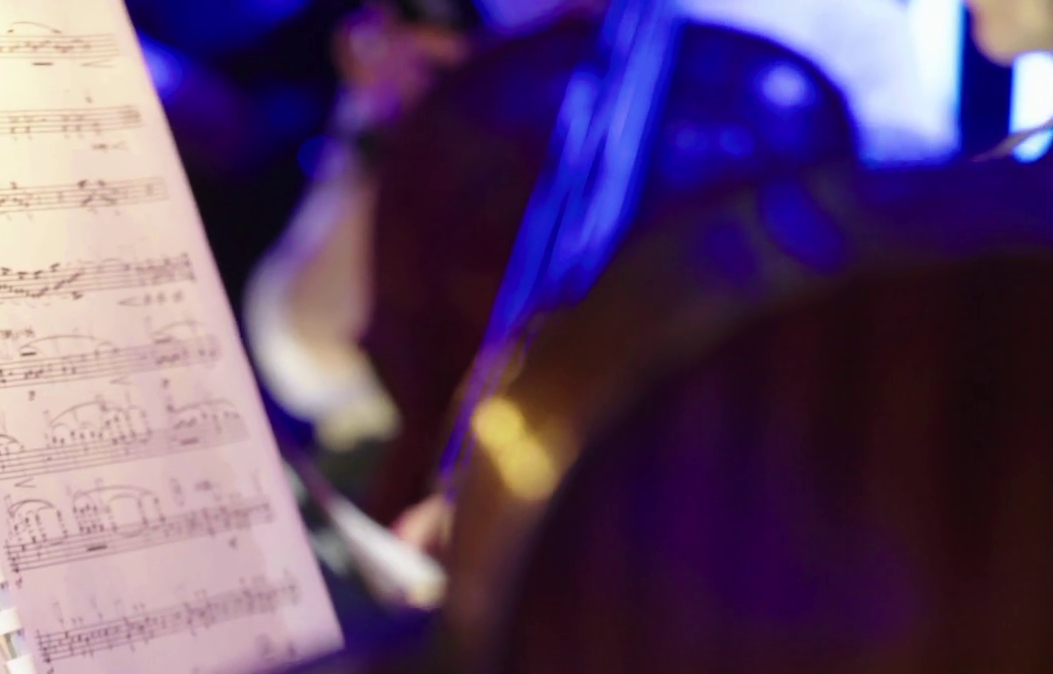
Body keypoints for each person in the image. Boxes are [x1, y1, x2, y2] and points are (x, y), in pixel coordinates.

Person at [246, 0, 954, 560]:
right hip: (446, 532)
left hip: (734, 538)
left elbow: (899, 342)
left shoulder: (836, 22)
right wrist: (384, 131)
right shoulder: (473, 20)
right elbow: (301, 362)